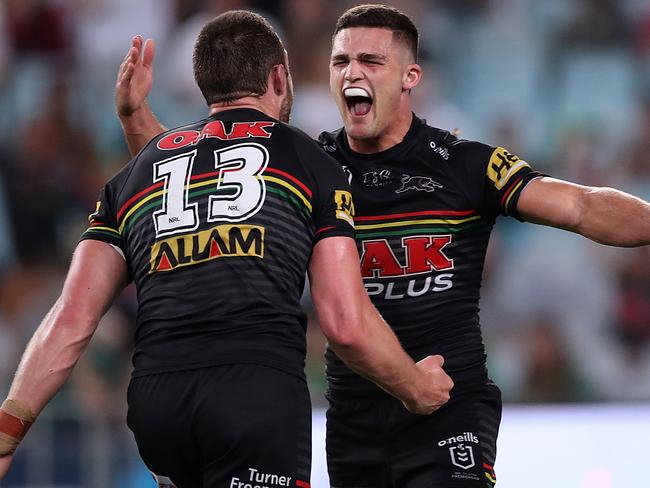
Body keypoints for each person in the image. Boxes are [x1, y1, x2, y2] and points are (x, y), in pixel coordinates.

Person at [113, 4, 650, 488]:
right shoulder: (304, 168)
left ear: (410, 76)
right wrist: (138, 119)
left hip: (446, 408)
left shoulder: (464, 166)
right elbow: (185, 189)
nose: (352, 73)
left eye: (371, 61)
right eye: (341, 61)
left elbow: (580, 206)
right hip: (352, 421)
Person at [0, 10, 455, 487]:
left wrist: (8, 433)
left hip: (159, 406)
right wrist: (414, 386)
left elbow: (72, 318)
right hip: (253, 398)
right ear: (279, 76)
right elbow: (344, 323)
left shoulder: (133, 176)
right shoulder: (310, 161)